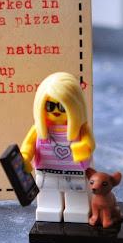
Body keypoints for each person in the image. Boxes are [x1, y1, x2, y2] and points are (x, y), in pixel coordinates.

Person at [20, 72, 95, 223]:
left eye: (62, 107)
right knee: (48, 198)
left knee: (76, 199)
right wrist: (25, 157)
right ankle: (48, 212)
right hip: (46, 172)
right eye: (50, 106)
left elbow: (90, 143)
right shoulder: (40, 130)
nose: (55, 111)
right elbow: (28, 145)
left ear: (74, 106)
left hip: (75, 172)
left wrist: (84, 148)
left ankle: (77, 212)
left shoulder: (80, 129)